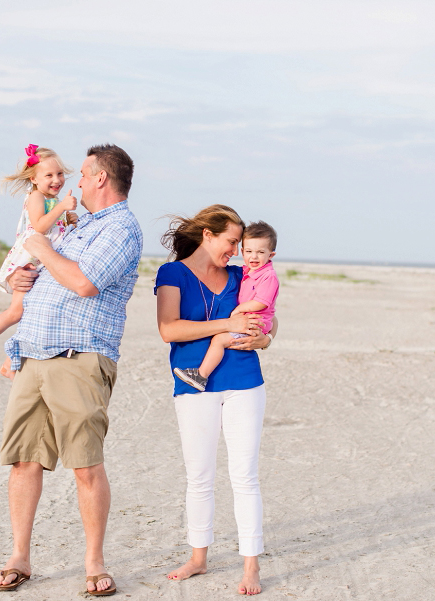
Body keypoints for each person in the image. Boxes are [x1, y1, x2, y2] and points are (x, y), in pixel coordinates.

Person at [0, 144, 142, 596]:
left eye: (83, 174)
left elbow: (83, 282)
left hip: (79, 357)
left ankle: (94, 564)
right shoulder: (78, 225)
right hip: (33, 355)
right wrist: (24, 280)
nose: (73, 182)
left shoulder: (120, 229)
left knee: (85, 464)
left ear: (100, 178)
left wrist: (38, 245)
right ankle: (20, 556)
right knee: (23, 460)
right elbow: (49, 273)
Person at [154, 205, 277, 596]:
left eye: (240, 244)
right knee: (199, 477)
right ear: (208, 236)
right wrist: (229, 324)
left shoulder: (243, 274)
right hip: (193, 386)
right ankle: (198, 558)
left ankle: (251, 566)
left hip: (245, 382)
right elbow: (169, 330)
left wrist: (266, 338)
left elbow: (271, 316)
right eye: (231, 242)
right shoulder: (172, 274)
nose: (237, 250)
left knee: (244, 476)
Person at [0, 144, 78, 371]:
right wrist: (62, 208)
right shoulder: (37, 196)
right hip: (29, 259)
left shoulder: (52, 200)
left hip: (43, 260)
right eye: (49, 175)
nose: (56, 179)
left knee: (33, 311)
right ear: (34, 179)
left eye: (59, 174)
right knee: (16, 312)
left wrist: (68, 218)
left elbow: (54, 228)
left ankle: (10, 364)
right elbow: (39, 226)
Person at [173, 221, 279, 392]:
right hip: (251, 322)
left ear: (271, 255)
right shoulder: (245, 273)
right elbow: (168, 331)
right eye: (249, 251)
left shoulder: (267, 276)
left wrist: (265, 338)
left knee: (220, 340)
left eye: (260, 252)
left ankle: (201, 375)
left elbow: (264, 304)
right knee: (221, 339)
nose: (254, 257)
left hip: (254, 325)